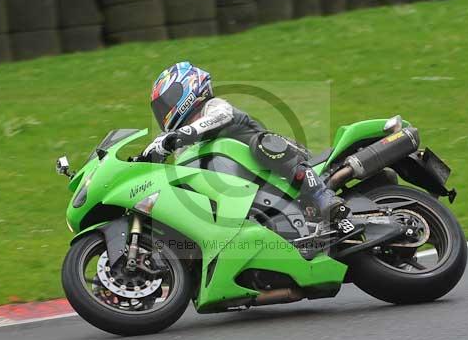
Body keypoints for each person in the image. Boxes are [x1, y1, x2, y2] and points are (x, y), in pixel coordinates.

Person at [141, 61, 348, 223]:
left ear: (186, 89)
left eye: (165, 104)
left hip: (280, 158)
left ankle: (322, 195)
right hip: (251, 190)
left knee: (262, 144)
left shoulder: (213, 107)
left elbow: (222, 116)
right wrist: (144, 159)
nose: (163, 113)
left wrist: (181, 134)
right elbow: (161, 150)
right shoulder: (184, 146)